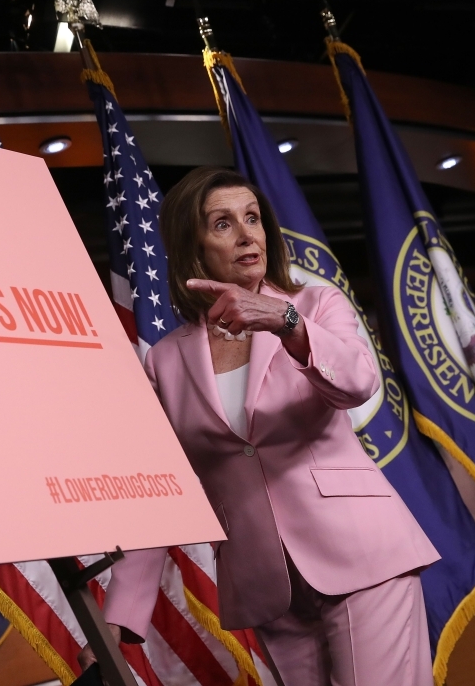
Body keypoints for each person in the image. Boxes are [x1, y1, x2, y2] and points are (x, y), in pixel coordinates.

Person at [84, 167, 439, 685]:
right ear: (192, 246)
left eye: (252, 218)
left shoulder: (315, 306)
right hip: (267, 586)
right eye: (223, 224)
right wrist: (118, 616)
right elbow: (169, 492)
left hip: (362, 557)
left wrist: (284, 321)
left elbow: (358, 383)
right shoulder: (165, 359)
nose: (248, 234)